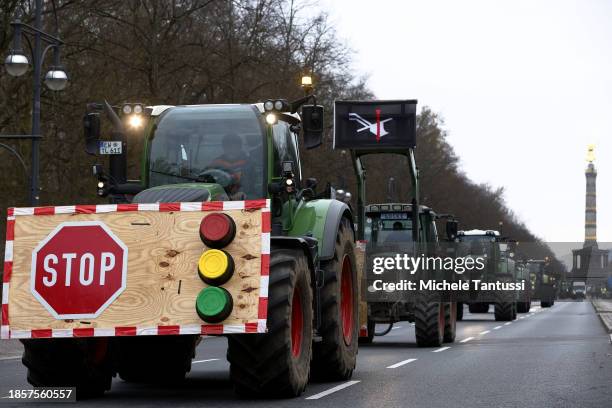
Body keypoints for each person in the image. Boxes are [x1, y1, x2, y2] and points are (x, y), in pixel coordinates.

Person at [208, 133, 248, 199]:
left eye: (234, 145)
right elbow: (207, 179)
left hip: (246, 198)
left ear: (239, 147)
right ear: (224, 147)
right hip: (220, 197)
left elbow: (258, 184)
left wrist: (244, 193)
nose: (231, 148)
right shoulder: (216, 163)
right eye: (228, 146)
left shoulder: (249, 163)